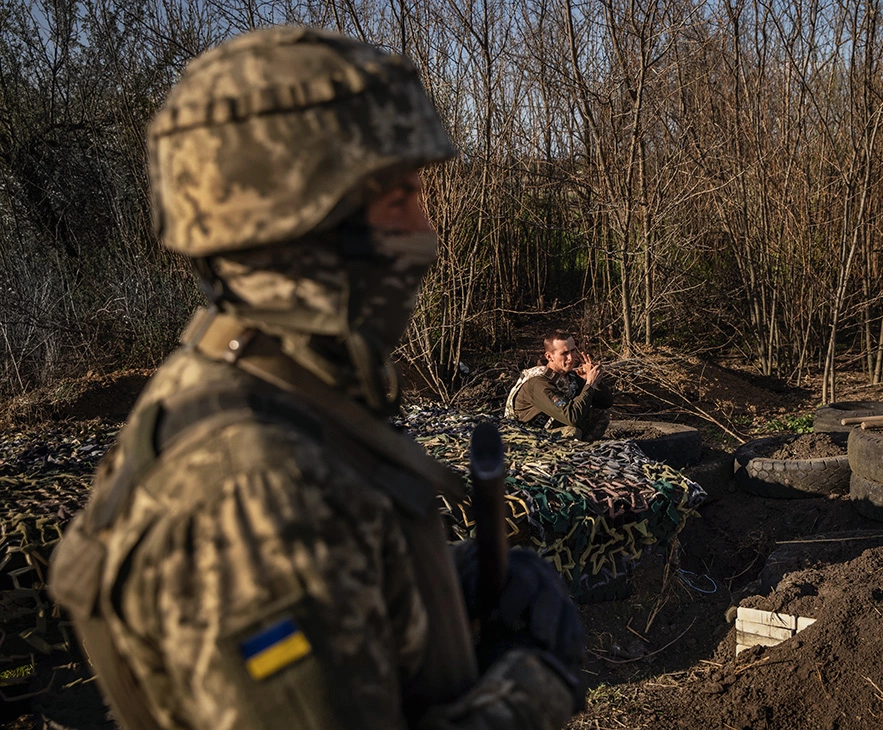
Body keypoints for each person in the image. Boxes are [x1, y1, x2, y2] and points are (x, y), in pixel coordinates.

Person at [48, 27, 583, 730]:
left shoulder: (261, 378)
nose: (425, 234)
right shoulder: (254, 491)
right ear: (300, 223)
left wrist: (437, 585)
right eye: (398, 200)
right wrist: (529, 691)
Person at [505, 330, 613, 441]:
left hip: (551, 427)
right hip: (527, 434)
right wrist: (590, 384)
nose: (570, 358)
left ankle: (585, 446)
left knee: (600, 414)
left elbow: (605, 403)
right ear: (549, 357)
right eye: (564, 353)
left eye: (573, 351)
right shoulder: (538, 383)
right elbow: (572, 417)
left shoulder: (569, 377)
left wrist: (595, 382)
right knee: (572, 430)